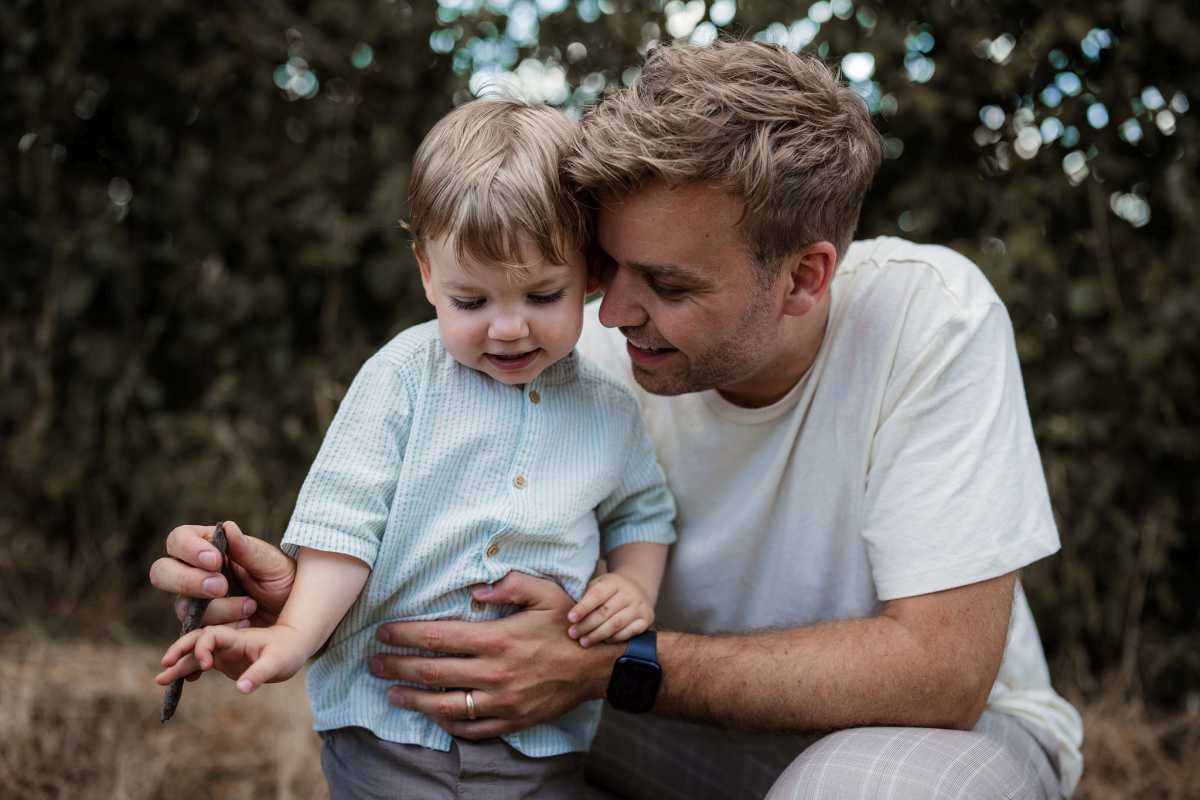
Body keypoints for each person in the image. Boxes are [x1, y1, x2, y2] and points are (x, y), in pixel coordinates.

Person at [151, 42, 1084, 799]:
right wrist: (308, 601)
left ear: (805, 277)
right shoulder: (568, 351)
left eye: (668, 284)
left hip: (922, 741)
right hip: (655, 725)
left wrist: (616, 665)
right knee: (453, 737)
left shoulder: (931, 319)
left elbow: (941, 674)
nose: (613, 312)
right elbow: (457, 550)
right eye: (608, 267)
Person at [155, 96, 676, 799]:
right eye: (472, 302)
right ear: (428, 274)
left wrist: (632, 586)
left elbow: (642, 512)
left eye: (542, 295)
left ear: (590, 274)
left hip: (545, 745)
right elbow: (346, 523)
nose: (509, 328)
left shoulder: (609, 408)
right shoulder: (402, 380)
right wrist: (293, 637)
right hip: (388, 733)